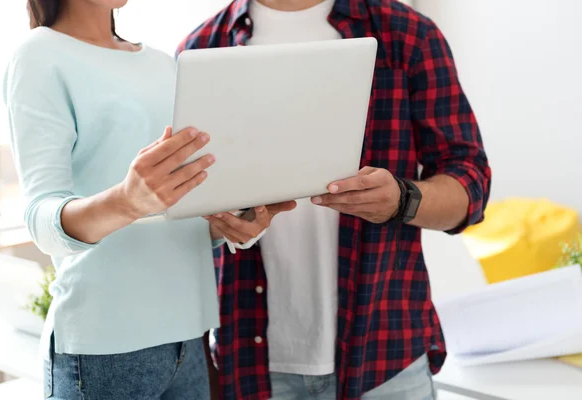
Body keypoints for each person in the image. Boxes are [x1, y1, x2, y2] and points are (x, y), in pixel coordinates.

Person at [178, 0, 492, 399]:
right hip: (250, 361)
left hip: (387, 358)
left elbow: (471, 185)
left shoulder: (408, 34)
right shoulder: (202, 48)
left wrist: (403, 199)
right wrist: (221, 222)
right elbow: (184, 206)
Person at [4, 1, 294, 399]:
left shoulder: (164, 64)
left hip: (190, 338)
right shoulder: (38, 55)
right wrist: (127, 201)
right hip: (104, 350)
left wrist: (231, 223)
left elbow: (176, 208)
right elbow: (42, 222)